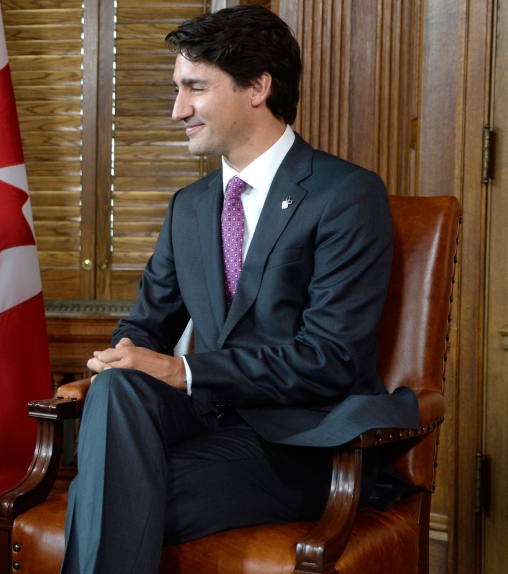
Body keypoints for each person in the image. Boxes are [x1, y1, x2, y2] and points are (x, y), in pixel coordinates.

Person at [60, 6, 419, 573]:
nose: (177, 109)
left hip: (301, 443)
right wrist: (122, 355)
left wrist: (186, 371)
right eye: (177, 89)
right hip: (209, 423)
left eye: (194, 88)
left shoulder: (346, 194)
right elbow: (145, 325)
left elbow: (331, 357)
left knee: (100, 495)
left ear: (257, 86)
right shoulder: (190, 207)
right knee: (117, 392)